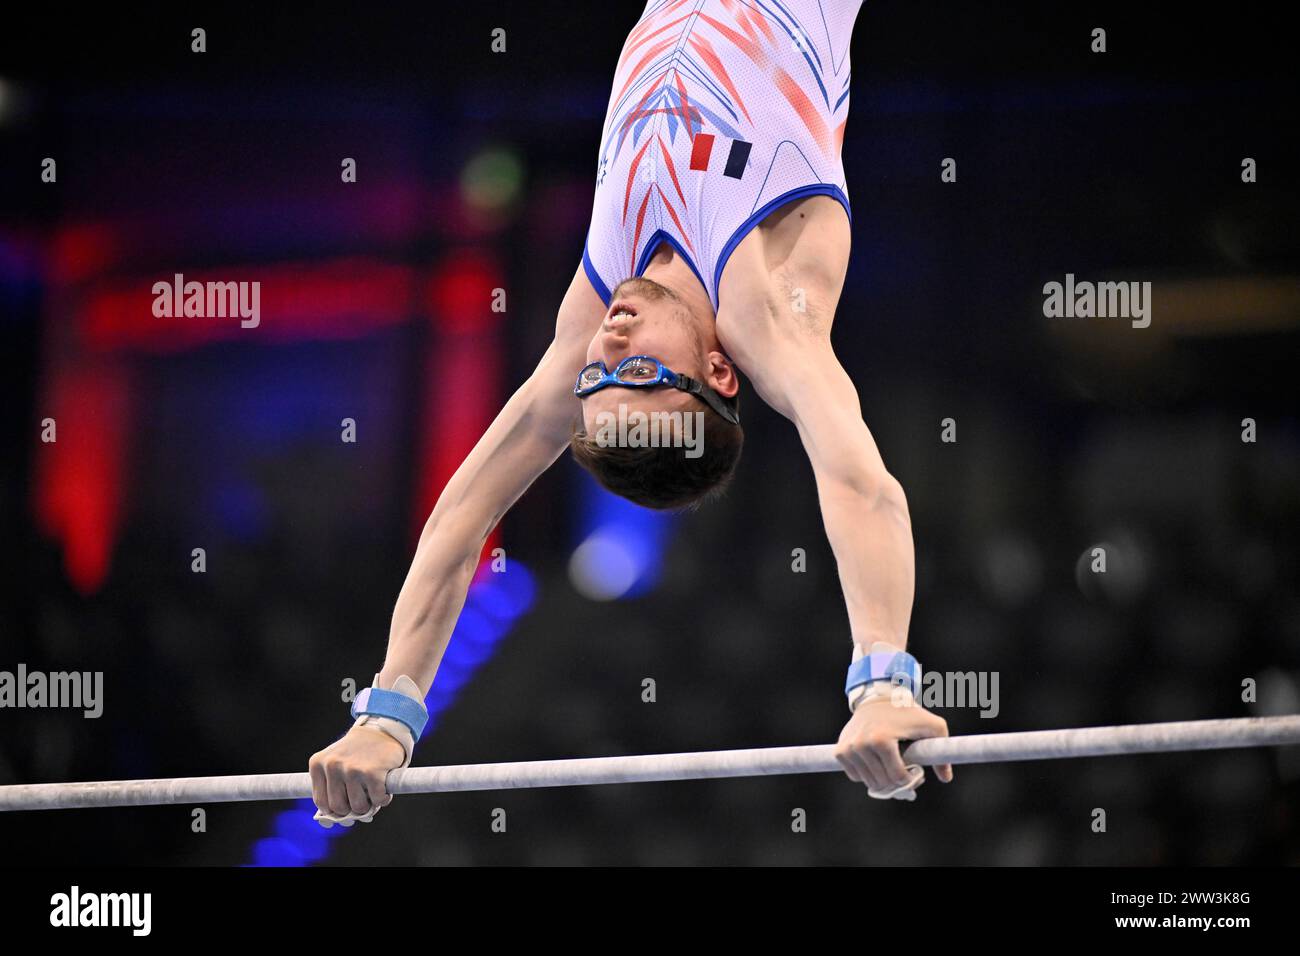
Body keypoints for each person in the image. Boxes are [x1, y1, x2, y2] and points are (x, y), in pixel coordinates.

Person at [309, 0, 952, 828]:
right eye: (641, 371)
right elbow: (859, 482)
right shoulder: (767, 308)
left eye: (598, 376)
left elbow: (460, 520)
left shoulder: (587, 320)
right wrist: (883, 680)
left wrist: (387, 716)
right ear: (718, 372)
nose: (609, 341)